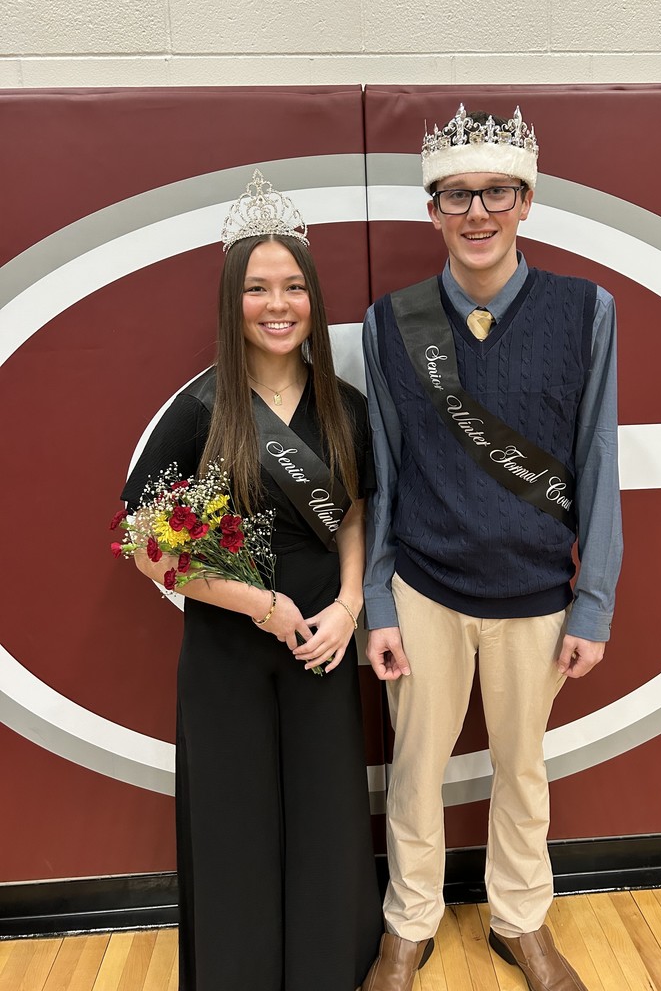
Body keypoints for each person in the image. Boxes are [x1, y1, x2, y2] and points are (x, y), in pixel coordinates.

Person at [360, 104, 622, 991]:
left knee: (523, 774)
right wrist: (383, 602)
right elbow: (384, 477)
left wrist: (594, 599)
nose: (478, 212)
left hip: (538, 593)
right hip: (428, 587)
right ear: (431, 209)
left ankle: (521, 921)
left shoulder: (586, 309)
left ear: (526, 201)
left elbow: (597, 460)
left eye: (497, 192)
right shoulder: (389, 320)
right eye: (458, 195)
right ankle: (410, 925)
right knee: (414, 774)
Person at [120, 169, 382, 991]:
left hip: (323, 649)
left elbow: (352, 516)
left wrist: (348, 604)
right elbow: (145, 545)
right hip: (228, 651)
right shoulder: (200, 412)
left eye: (295, 286)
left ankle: (327, 970)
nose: (279, 304)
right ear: (232, 300)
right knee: (233, 823)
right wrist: (257, 603)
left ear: (314, 299)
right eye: (259, 288)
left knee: (325, 818)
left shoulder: (345, 407)